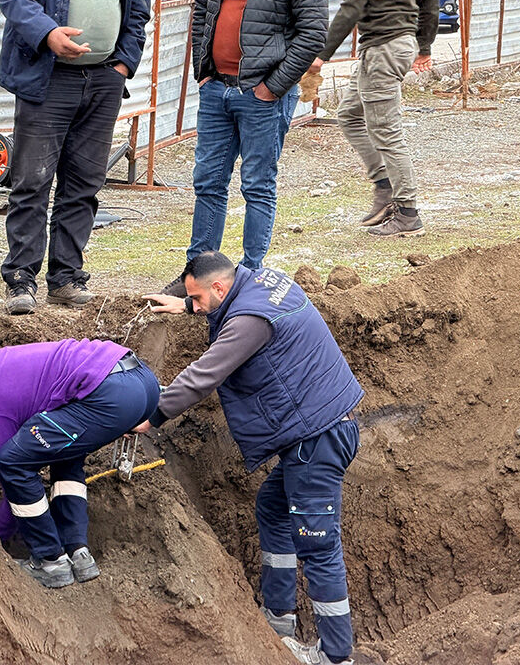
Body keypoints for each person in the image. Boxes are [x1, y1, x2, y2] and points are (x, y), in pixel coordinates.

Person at [142, 251, 364, 665]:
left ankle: (336, 656)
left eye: (199, 298)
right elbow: (225, 302)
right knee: (273, 508)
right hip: (326, 426)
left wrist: (151, 416)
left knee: (318, 544)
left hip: (316, 438)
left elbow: (205, 374)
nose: (197, 305)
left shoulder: (247, 323)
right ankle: (278, 621)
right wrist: (189, 304)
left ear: (220, 288)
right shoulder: (265, 282)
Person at [0, 339, 160, 588]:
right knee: (63, 450)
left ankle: (50, 560)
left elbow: (15, 480)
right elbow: (18, 416)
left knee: (13, 465)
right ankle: (78, 552)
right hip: (140, 381)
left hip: (109, 394)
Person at [0, 0, 152, 315]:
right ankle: (21, 279)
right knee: (32, 180)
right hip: (47, 76)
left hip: (104, 78)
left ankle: (65, 277)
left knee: (84, 182)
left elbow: (138, 0)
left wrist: (124, 63)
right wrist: (47, 33)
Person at [162, 0, 328, 296]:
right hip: (216, 88)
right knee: (208, 182)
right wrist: (203, 72)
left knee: (257, 185)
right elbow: (203, 11)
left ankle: (251, 277)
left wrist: (271, 88)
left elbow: (312, 32)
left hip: (262, 95)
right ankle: (198, 275)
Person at [309, 0, 438, 237]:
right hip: (390, 46)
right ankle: (384, 183)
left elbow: (352, 6)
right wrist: (424, 46)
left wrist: (323, 53)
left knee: (387, 131)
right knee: (350, 114)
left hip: (383, 49)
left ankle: (407, 212)